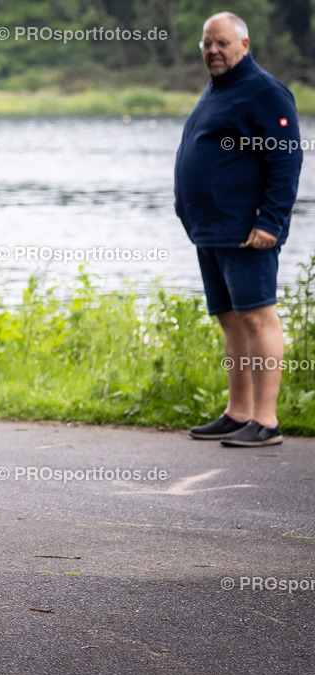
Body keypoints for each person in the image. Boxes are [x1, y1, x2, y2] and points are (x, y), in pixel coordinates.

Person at [175, 12, 302, 447]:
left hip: (247, 230)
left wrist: (271, 221)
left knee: (257, 317)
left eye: (222, 43)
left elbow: (286, 159)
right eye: (207, 43)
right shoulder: (217, 88)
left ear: (244, 45)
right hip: (211, 230)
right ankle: (238, 412)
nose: (213, 50)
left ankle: (266, 421)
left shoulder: (264, 92)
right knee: (230, 321)